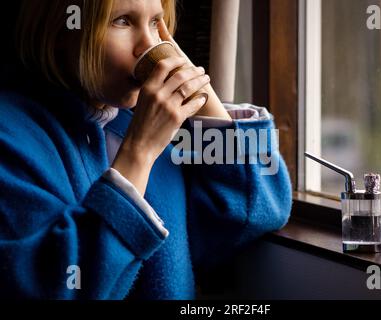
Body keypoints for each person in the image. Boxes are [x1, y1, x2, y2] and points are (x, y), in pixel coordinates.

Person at [0, 0, 292, 299]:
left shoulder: (151, 120)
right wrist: (139, 152)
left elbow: (256, 212)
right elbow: (58, 286)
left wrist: (203, 99)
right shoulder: (11, 135)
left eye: (155, 22)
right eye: (123, 22)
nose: (150, 47)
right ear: (61, 31)